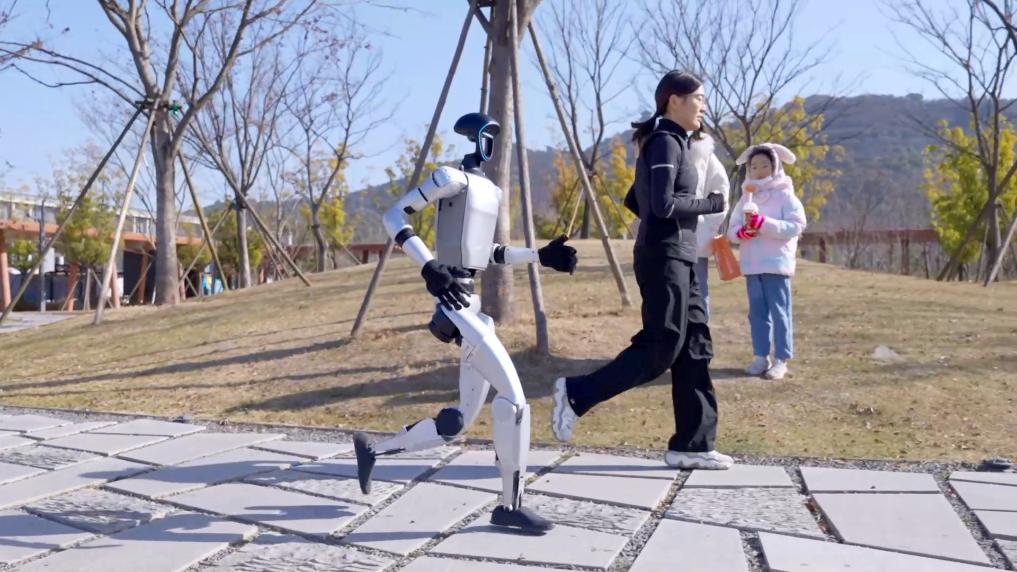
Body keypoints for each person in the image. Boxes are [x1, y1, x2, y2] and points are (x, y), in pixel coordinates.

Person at [353, 112, 578, 534]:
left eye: (495, 136)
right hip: (452, 302)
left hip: (472, 305)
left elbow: (487, 252)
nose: (490, 143)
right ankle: (510, 506)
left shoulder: (490, 190)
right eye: (485, 135)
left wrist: (539, 256)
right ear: (472, 137)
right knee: (514, 400)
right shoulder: (449, 179)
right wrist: (429, 265)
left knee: (456, 422)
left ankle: (373, 451)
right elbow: (394, 216)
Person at [551, 71, 734, 470]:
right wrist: (710, 204)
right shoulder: (665, 140)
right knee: (661, 346)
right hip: (663, 257)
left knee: (695, 346)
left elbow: (636, 200)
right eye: (698, 98)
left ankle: (693, 445)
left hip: (682, 257)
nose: (703, 106)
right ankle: (577, 393)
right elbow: (664, 206)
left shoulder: (674, 143)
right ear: (674, 100)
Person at [726, 143, 807, 380]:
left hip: (776, 263)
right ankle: (761, 357)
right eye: (754, 166)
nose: (759, 170)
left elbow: (796, 225)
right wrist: (742, 233)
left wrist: (764, 223)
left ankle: (781, 359)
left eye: (764, 165)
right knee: (757, 314)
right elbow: (732, 228)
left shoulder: (785, 195)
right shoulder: (746, 197)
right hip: (752, 264)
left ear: (775, 166)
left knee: (780, 312)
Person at [689, 132, 730, 317]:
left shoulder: (706, 156)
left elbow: (720, 193)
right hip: (668, 239)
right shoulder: (666, 149)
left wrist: (705, 226)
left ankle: (699, 332)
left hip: (696, 238)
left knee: (698, 292)